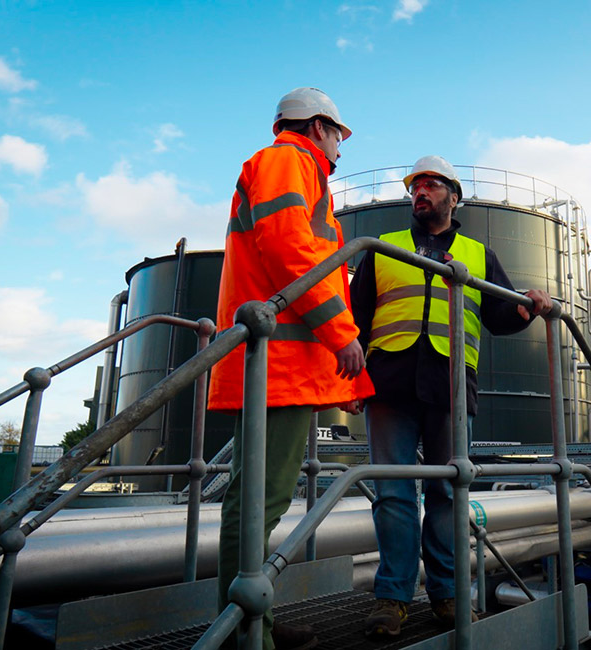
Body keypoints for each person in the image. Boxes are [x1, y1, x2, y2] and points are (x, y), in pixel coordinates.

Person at [349, 155, 553, 638]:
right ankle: (392, 598)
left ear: (453, 198)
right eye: (415, 186)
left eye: (432, 185)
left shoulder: (479, 255)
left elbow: (501, 317)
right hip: (390, 383)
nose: (420, 192)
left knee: (447, 492)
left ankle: (447, 594)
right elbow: (355, 320)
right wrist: (351, 386)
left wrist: (530, 305)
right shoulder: (382, 248)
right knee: (393, 493)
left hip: (451, 386)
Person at [208, 87, 373, 650]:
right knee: (261, 498)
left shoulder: (293, 167)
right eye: (338, 136)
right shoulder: (288, 160)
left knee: (260, 497)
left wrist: (341, 370)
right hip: (278, 364)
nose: (340, 149)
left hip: (285, 363)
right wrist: (341, 333)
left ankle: (255, 618)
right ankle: (245, 630)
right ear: (318, 126)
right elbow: (289, 249)